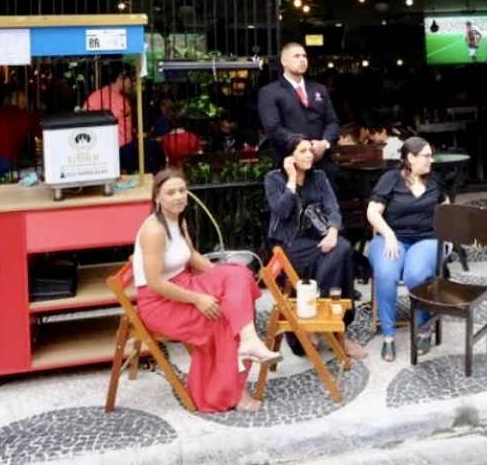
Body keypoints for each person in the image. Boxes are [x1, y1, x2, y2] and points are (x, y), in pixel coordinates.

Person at [133, 168, 281, 412]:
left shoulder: (177, 219)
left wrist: (220, 274)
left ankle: (249, 339)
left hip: (183, 285)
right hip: (160, 302)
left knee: (237, 273)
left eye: (182, 190)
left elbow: (190, 255)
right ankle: (229, 393)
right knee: (222, 318)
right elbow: (155, 283)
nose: (179, 196)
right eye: (171, 192)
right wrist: (199, 299)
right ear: (157, 196)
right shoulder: (154, 230)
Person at [264, 140, 367, 360]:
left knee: (342, 249)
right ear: (289, 156)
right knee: (338, 259)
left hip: (319, 238)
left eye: (310, 150)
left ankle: (330, 323)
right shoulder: (274, 179)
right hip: (291, 244)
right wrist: (291, 180)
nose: (310, 155)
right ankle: (332, 328)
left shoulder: (319, 177)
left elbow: (333, 209)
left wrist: (332, 231)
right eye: (303, 151)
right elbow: (281, 212)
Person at [366, 137, 448, 361]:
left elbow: (448, 211)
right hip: (393, 238)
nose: (431, 160)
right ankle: (388, 336)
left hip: (427, 240)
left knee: (415, 274)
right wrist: (388, 234)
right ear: (410, 158)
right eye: (426, 156)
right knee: (386, 272)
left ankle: (424, 328)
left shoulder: (435, 181)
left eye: (431, 156)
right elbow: (372, 212)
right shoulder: (390, 179)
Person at [258, 42, 340, 175]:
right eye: (296, 56)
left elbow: (332, 122)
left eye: (304, 56)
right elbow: (273, 128)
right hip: (289, 164)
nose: (302, 60)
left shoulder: (319, 88)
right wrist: (303, 145)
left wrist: (324, 144)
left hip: (322, 163)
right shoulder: (270, 92)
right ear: (284, 61)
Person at [83, 63, 162, 173]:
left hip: (107, 147)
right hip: (120, 147)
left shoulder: (96, 96)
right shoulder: (111, 98)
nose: (133, 84)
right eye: (131, 80)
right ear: (121, 78)